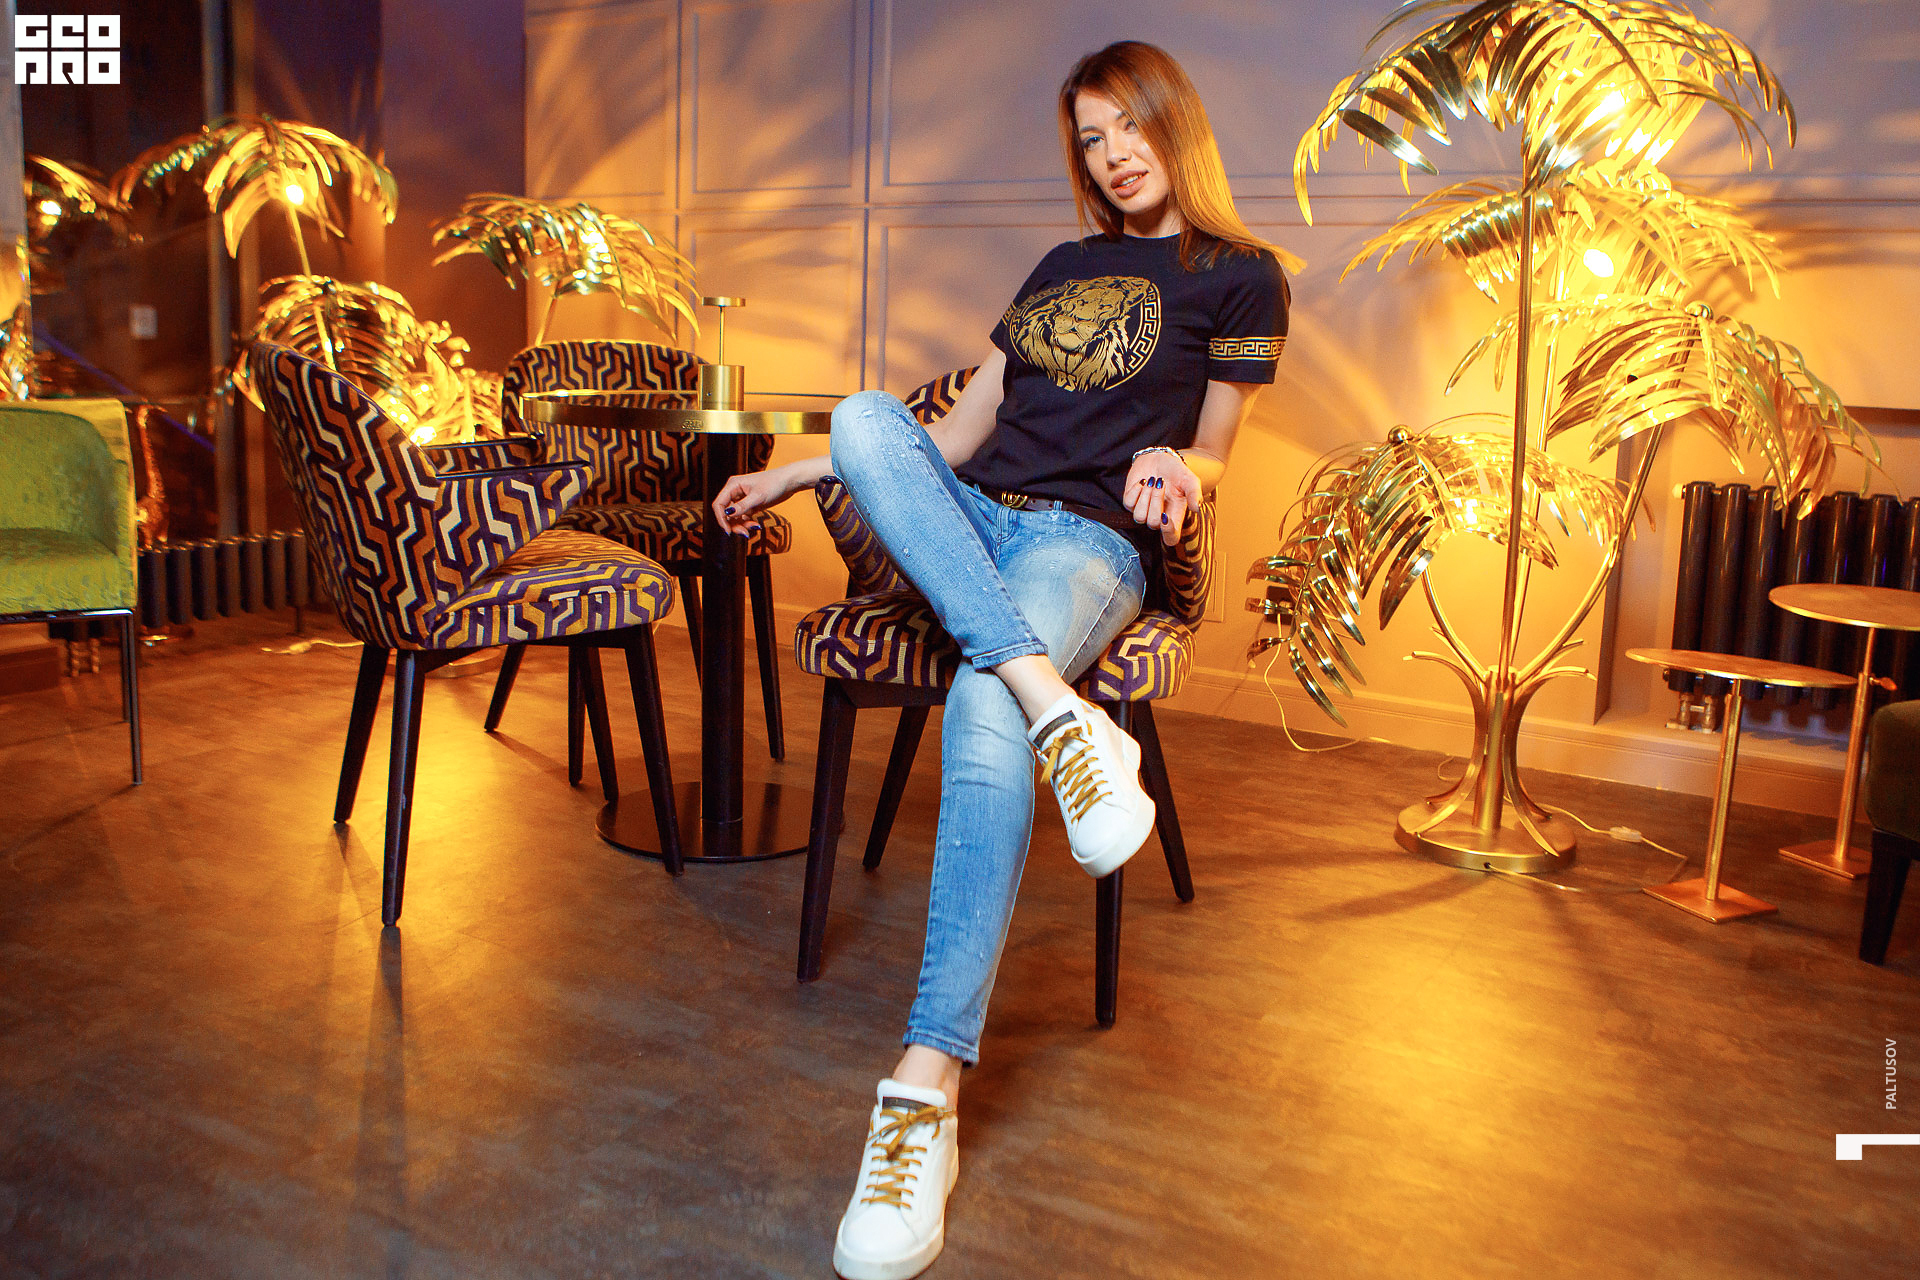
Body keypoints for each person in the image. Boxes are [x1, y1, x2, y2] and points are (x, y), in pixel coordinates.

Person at [712, 40, 1290, 1280]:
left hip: (1089, 543)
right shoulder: (1060, 268)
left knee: (981, 696)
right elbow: (958, 434)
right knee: (865, 414)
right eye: (1091, 139)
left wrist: (1182, 471)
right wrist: (808, 468)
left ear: (1173, 123)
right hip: (980, 519)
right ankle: (1060, 712)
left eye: (1129, 126)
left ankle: (924, 1088)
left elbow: (1219, 446)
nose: (1113, 155)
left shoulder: (1241, 276)